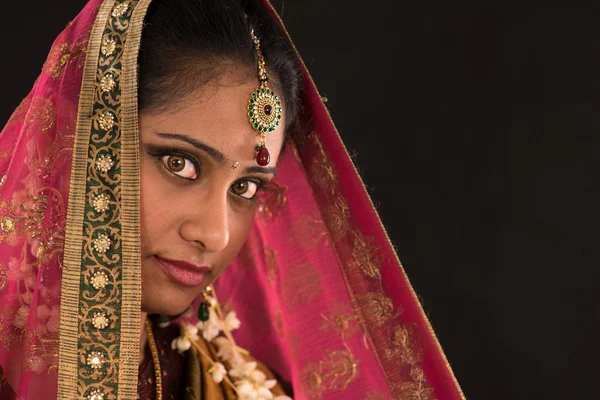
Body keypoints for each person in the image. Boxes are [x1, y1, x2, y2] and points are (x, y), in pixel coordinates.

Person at [0, 0, 465, 399]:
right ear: (77, 141)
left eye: (246, 188)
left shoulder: (230, 383)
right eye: (180, 164)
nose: (216, 234)